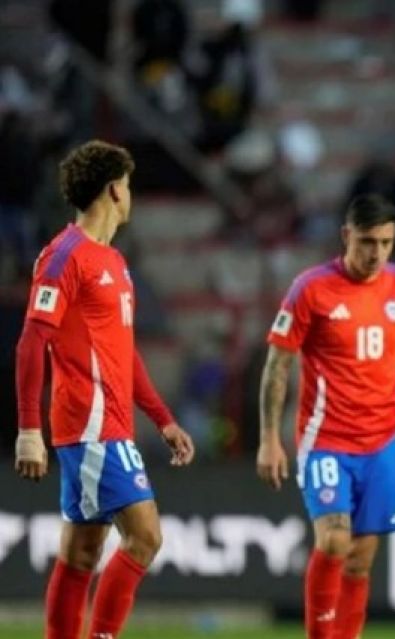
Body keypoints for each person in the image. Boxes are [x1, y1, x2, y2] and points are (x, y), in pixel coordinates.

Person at [256, 194, 395, 639]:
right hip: (326, 438)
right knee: (333, 539)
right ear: (346, 235)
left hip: (382, 440)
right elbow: (277, 365)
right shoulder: (310, 288)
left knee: (362, 557)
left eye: (387, 243)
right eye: (368, 241)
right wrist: (268, 437)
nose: (377, 253)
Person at [13, 140, 195, 639]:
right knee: (145, 537)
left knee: (81, 553)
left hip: (110, 424)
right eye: (129, 185)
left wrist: (162, 418)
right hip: (90, 425)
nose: (130, 195)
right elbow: (32, 340)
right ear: (115, 189)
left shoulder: (113, 262)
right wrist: (29, 429)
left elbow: (123, 353)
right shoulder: (64, 255)